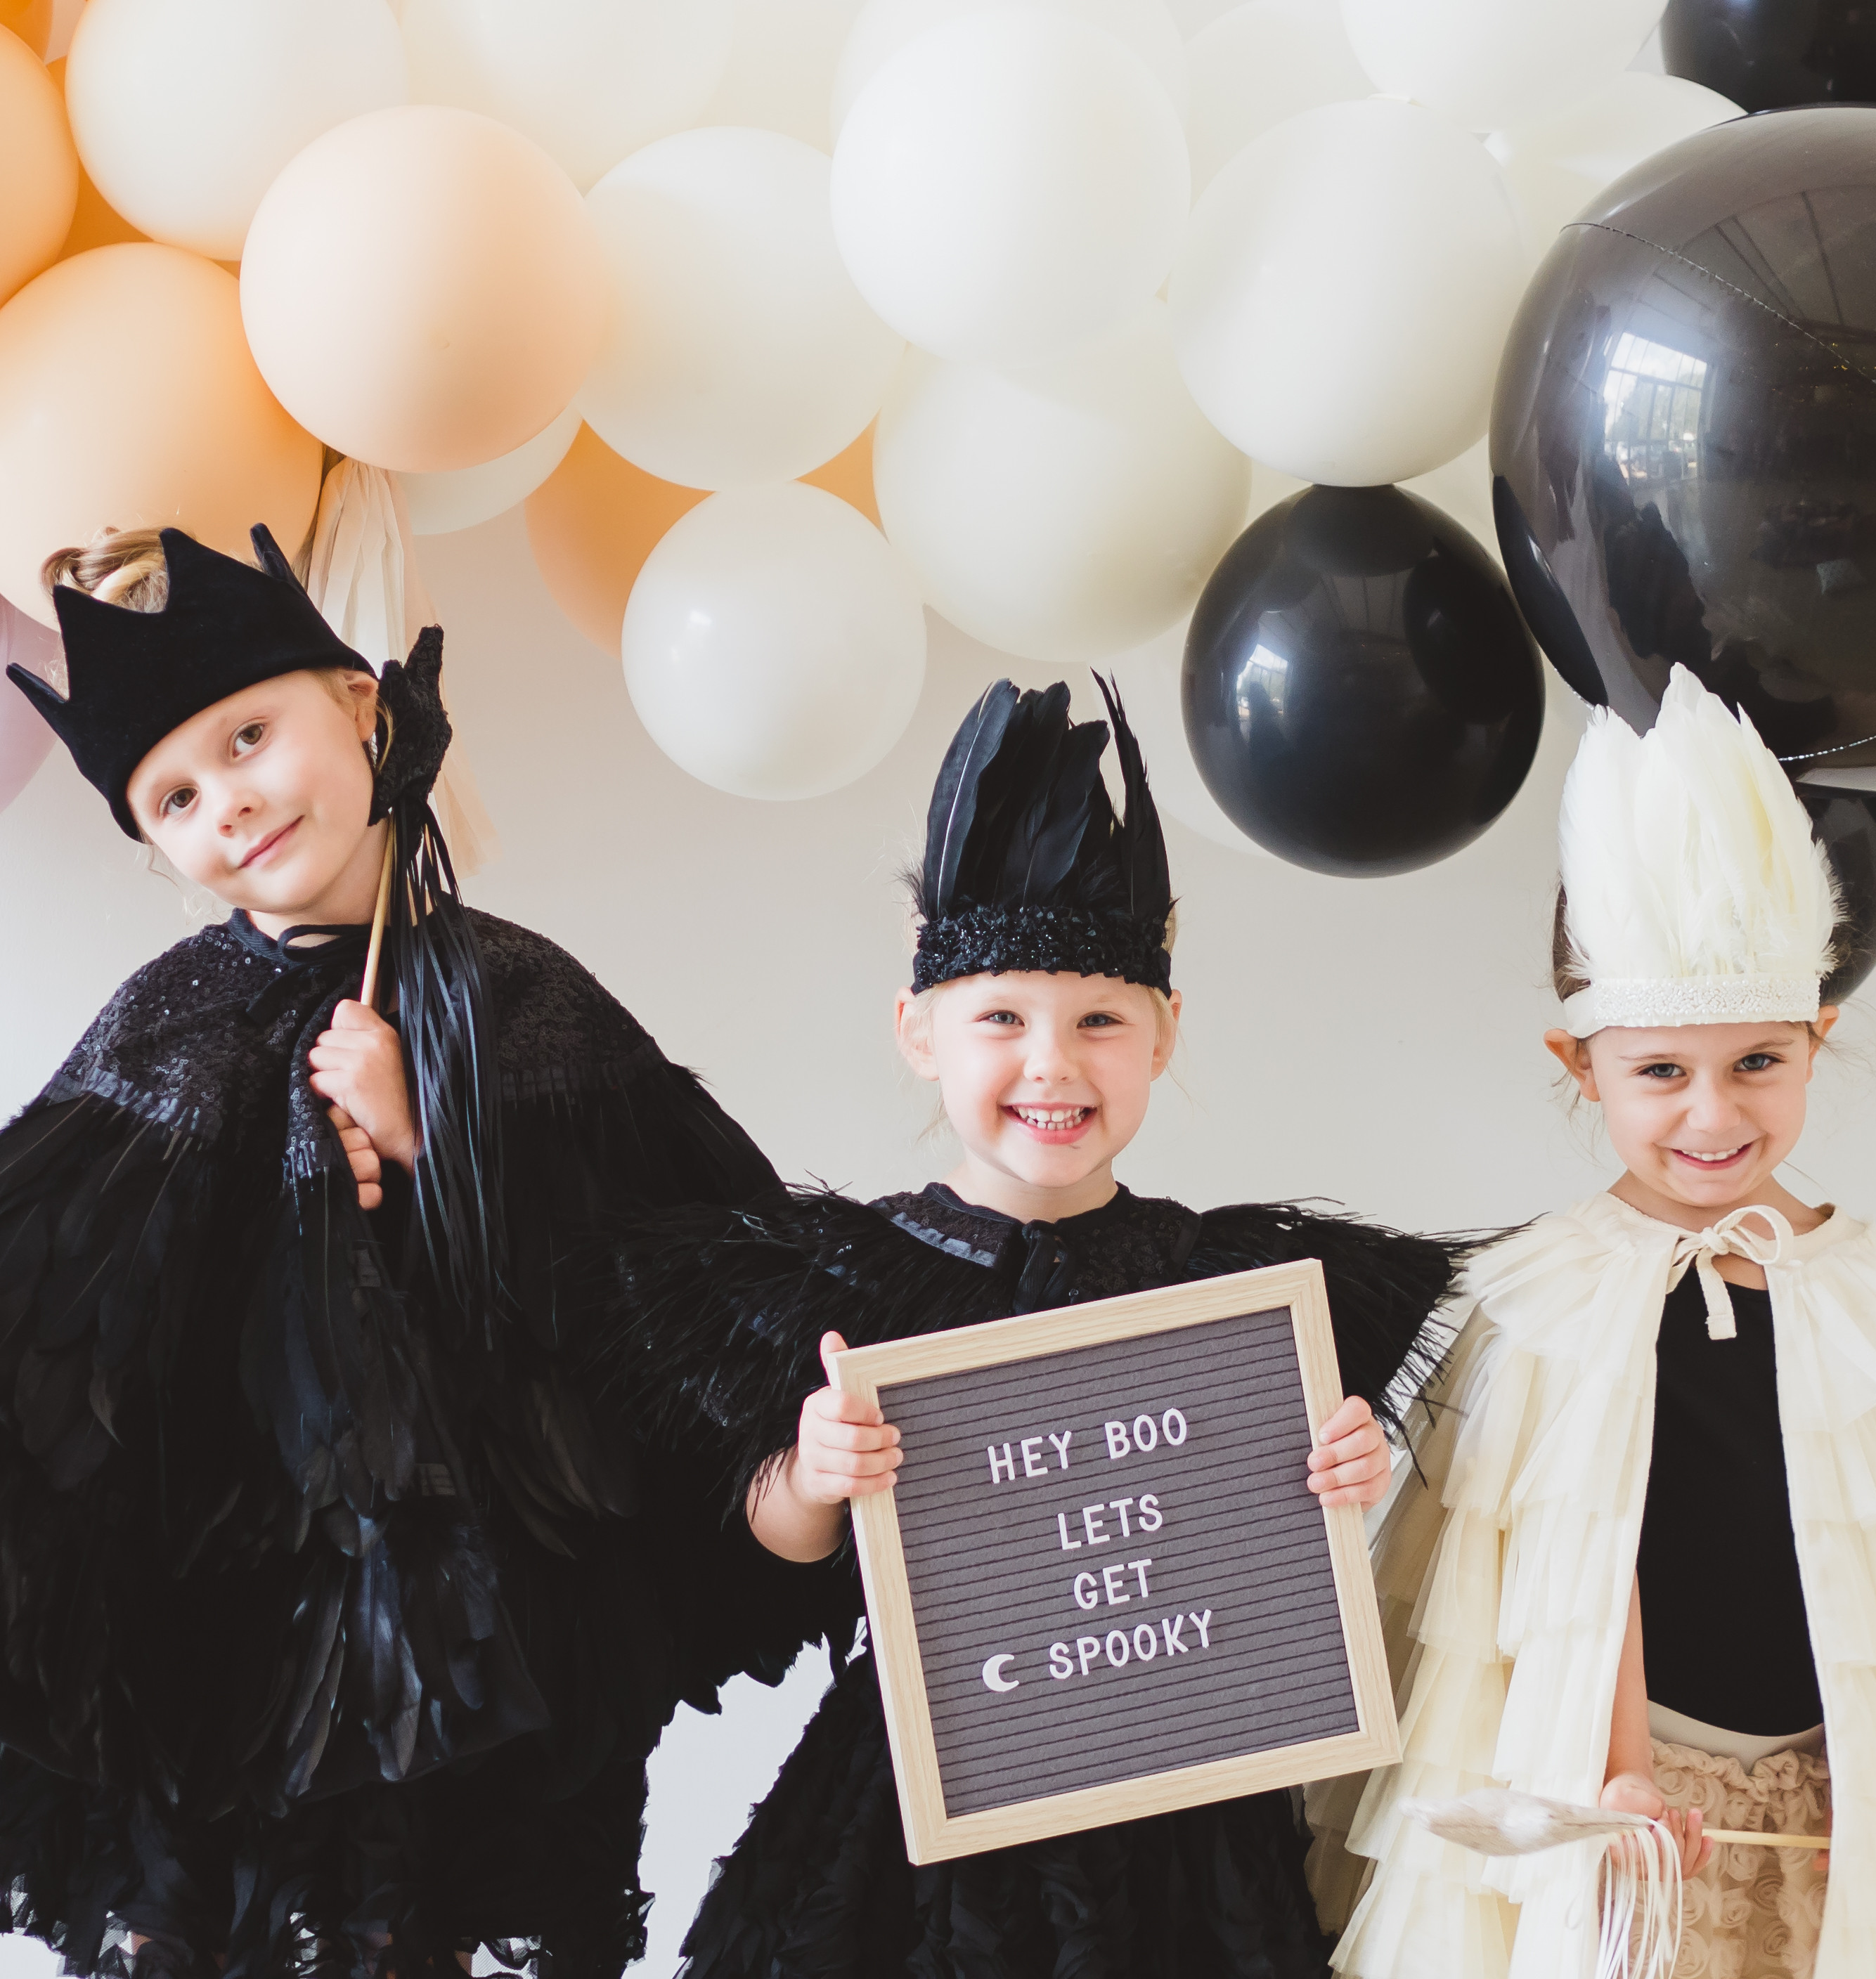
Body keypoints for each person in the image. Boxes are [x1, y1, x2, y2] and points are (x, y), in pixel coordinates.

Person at [0, 525, 818, 1978]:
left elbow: (662, 1309)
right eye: (175, 795)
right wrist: (263, 1208)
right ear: (155, 845)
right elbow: (80, 1358)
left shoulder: (526, 1001)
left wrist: (435, 1143)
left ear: (358, 704)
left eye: (249, 737)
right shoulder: (161, 1030)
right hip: (236, 1647)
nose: (229, 800)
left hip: (487, 1644)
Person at [1321, 670, 1876, 1979]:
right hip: (1639, 1807)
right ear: (1581, 1066)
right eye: (1660, 1072)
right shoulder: (1546, 1303)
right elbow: (1579, 1560)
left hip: (1842, 1810)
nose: (1713, 1115)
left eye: (1757, 1063)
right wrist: (1620, 1771)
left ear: (1817, 1039)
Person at [595, 677, 1466, 1979]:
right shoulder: (847, 1281)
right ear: (918, 1033)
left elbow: (1267, 1548)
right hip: (932, 1794)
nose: (1052, 1063)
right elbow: (772, 1548)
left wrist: (1340, 1470)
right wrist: (816, 1474)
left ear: (1163, 1036)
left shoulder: (1234, 1288)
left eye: (1099, 1019)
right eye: (1001, 1017)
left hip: (1183, 1802)